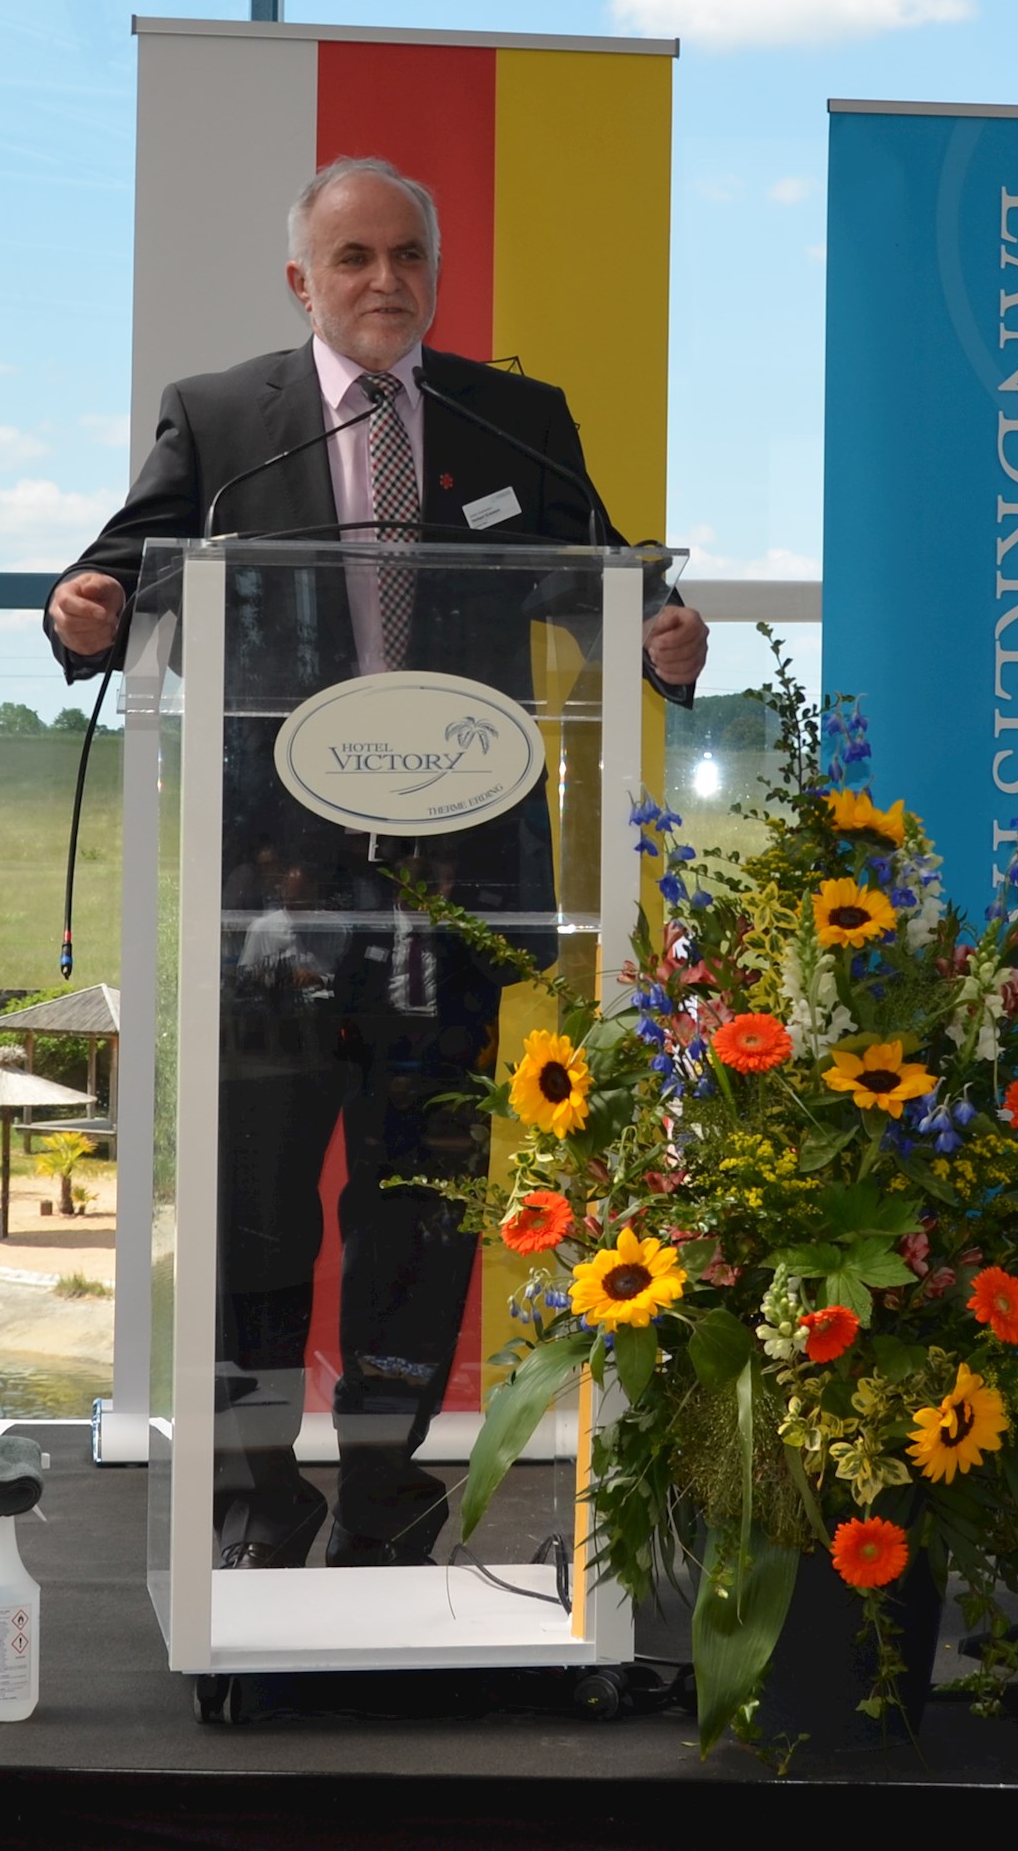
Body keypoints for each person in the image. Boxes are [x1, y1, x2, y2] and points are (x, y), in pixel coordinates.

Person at [46, 156, 708, 1569]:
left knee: (419, 1225)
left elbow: (614, 582)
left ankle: (389, 1510)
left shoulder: (507, 418)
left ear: (437, 272)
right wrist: (82, 611)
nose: (384, 280)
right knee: (262, 1223)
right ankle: (256, 1512)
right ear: (302, 280)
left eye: (408, 255)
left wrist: (664, 635)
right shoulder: (228, 421)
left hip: (461, 904)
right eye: (352, 258)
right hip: (269, 904)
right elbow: (109, 581)